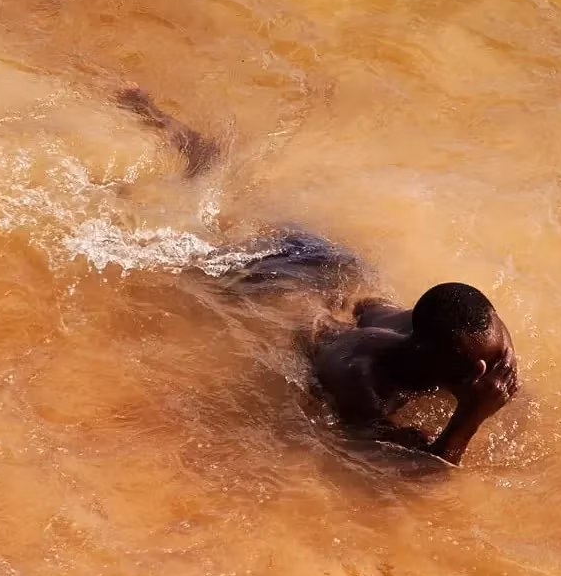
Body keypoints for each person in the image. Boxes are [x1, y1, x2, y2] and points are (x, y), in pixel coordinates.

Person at [115, 87, 520, 465]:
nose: (505, 370)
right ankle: (130, 164)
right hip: (273, 282)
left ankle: (162, 124)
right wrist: (471, 415)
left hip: (331, 263)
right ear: (456, 371)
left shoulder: (424, 335)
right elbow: (417, 476)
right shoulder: (362, 382)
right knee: (187, 231)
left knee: (234, 198)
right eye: (497, 363)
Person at [305, 283, 519, 465]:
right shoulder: (364, 386)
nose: (498, 372)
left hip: (369, 306)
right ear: (436, 367)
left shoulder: (450, 330)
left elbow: (494, 336)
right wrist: (471, 416)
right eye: (487, 369)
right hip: (311, 313)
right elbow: (427, 474)